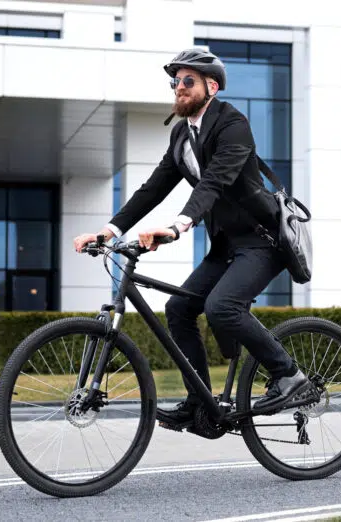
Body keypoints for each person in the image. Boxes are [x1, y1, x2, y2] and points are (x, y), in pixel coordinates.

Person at [73, 48, 309, 426]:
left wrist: (176, 226)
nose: (178, 88)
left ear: (210, 86)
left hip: (259, 241)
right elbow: (154, 188)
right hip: (225, 245)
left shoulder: (233, 124)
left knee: (222, 307)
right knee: (179, 309)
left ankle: (289, 375)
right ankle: (198, 401)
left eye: (187, 81)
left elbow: (215, 181)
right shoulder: (182, 133)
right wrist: (109, 230)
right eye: (174, 81)